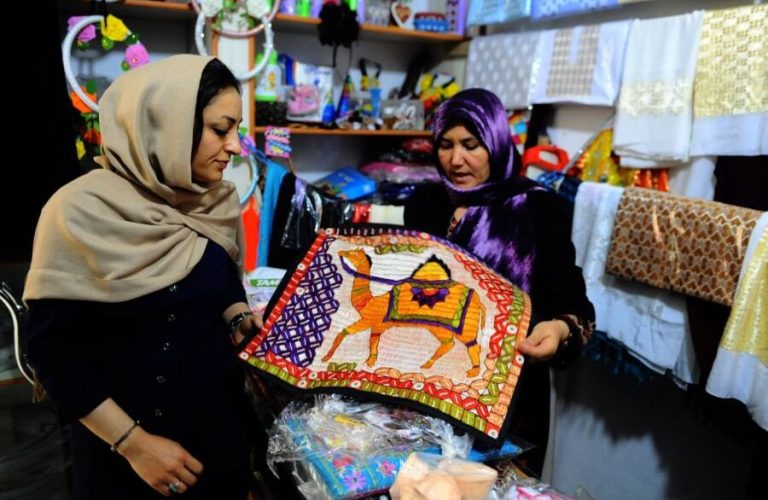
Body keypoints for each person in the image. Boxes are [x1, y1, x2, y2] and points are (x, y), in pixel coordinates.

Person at [22, 55, 261, 499]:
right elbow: (53, 352)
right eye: (220, 129)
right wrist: (135, 445)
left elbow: (223, 282)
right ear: (167, 124)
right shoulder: (77, 213)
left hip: (217, 445)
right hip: (123, 462)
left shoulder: (214, 200)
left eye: (236, 131)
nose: (234, 147)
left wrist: (236, 314)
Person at [420, 88, 595, 475]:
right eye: (445, 145)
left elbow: (577, 305)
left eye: (471, 144)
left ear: (497, 143)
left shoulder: (538, 209)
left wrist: (559, 327)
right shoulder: (425, 203)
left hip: (509, 400)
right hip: (427, 388)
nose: (455, 159)